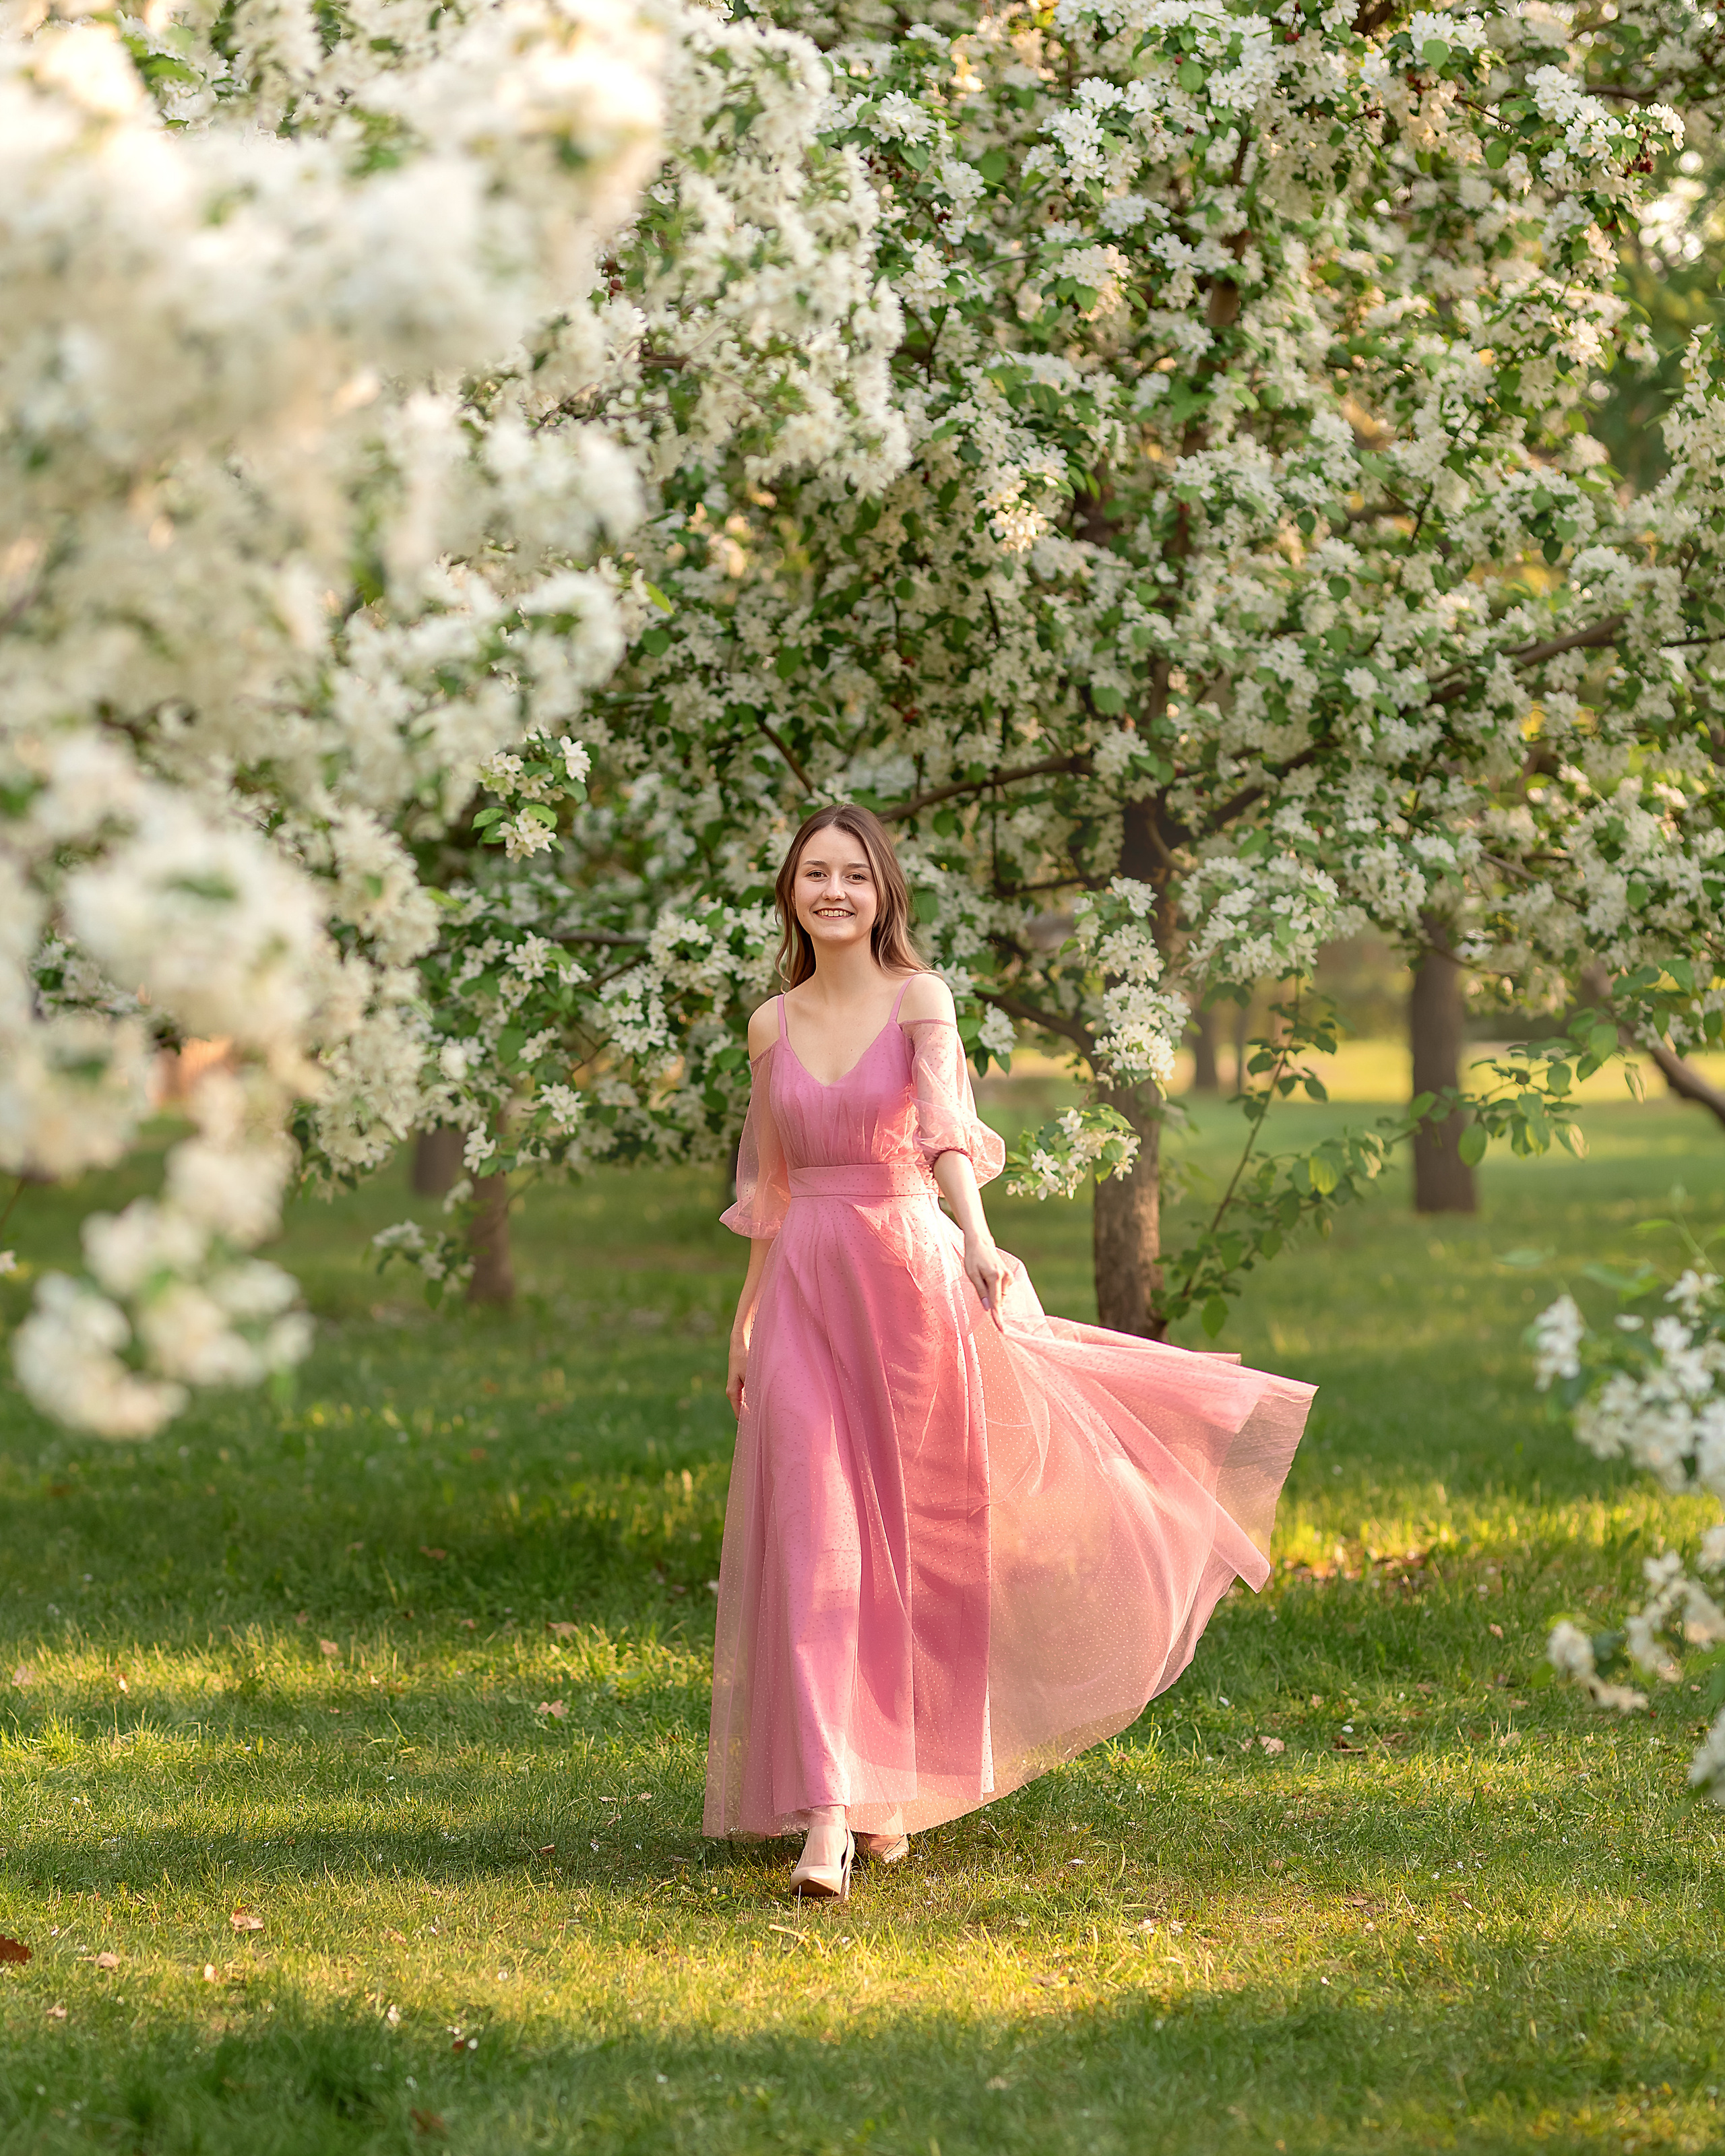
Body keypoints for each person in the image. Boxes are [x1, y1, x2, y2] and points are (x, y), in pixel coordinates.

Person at [708, 804, 1314, 1900]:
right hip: (803, 1288)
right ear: (791, 895)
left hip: (906, 1277)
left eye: (853, 874)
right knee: (815, 1536)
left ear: (883, 891)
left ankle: (890, 1784)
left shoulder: (921, 1000)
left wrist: (982, 1251)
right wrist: (745, 1318)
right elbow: (772, 1186)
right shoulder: (769, 1025)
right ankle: (830, 1816)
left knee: (916, 1534)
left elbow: (945, 1132)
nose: (832, 891)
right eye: (813, 876)